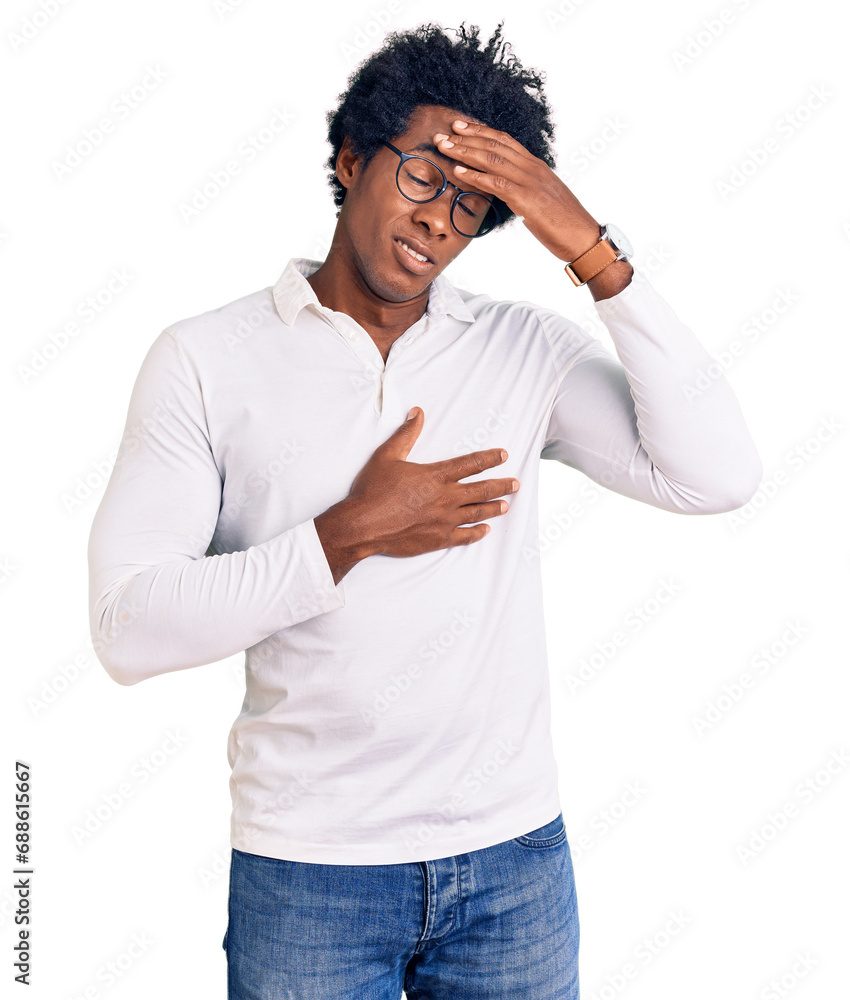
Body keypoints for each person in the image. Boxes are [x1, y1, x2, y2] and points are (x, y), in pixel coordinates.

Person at [87, 20, 762, 1000]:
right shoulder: (203, 359)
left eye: (474, 201)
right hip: (307, 869)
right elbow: (127, 630)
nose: (442, 219)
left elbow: (716, 476)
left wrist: (588, 247)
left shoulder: (523, 350)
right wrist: (347, 531)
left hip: (511, 864)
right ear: (352, 158)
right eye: (420, 177)